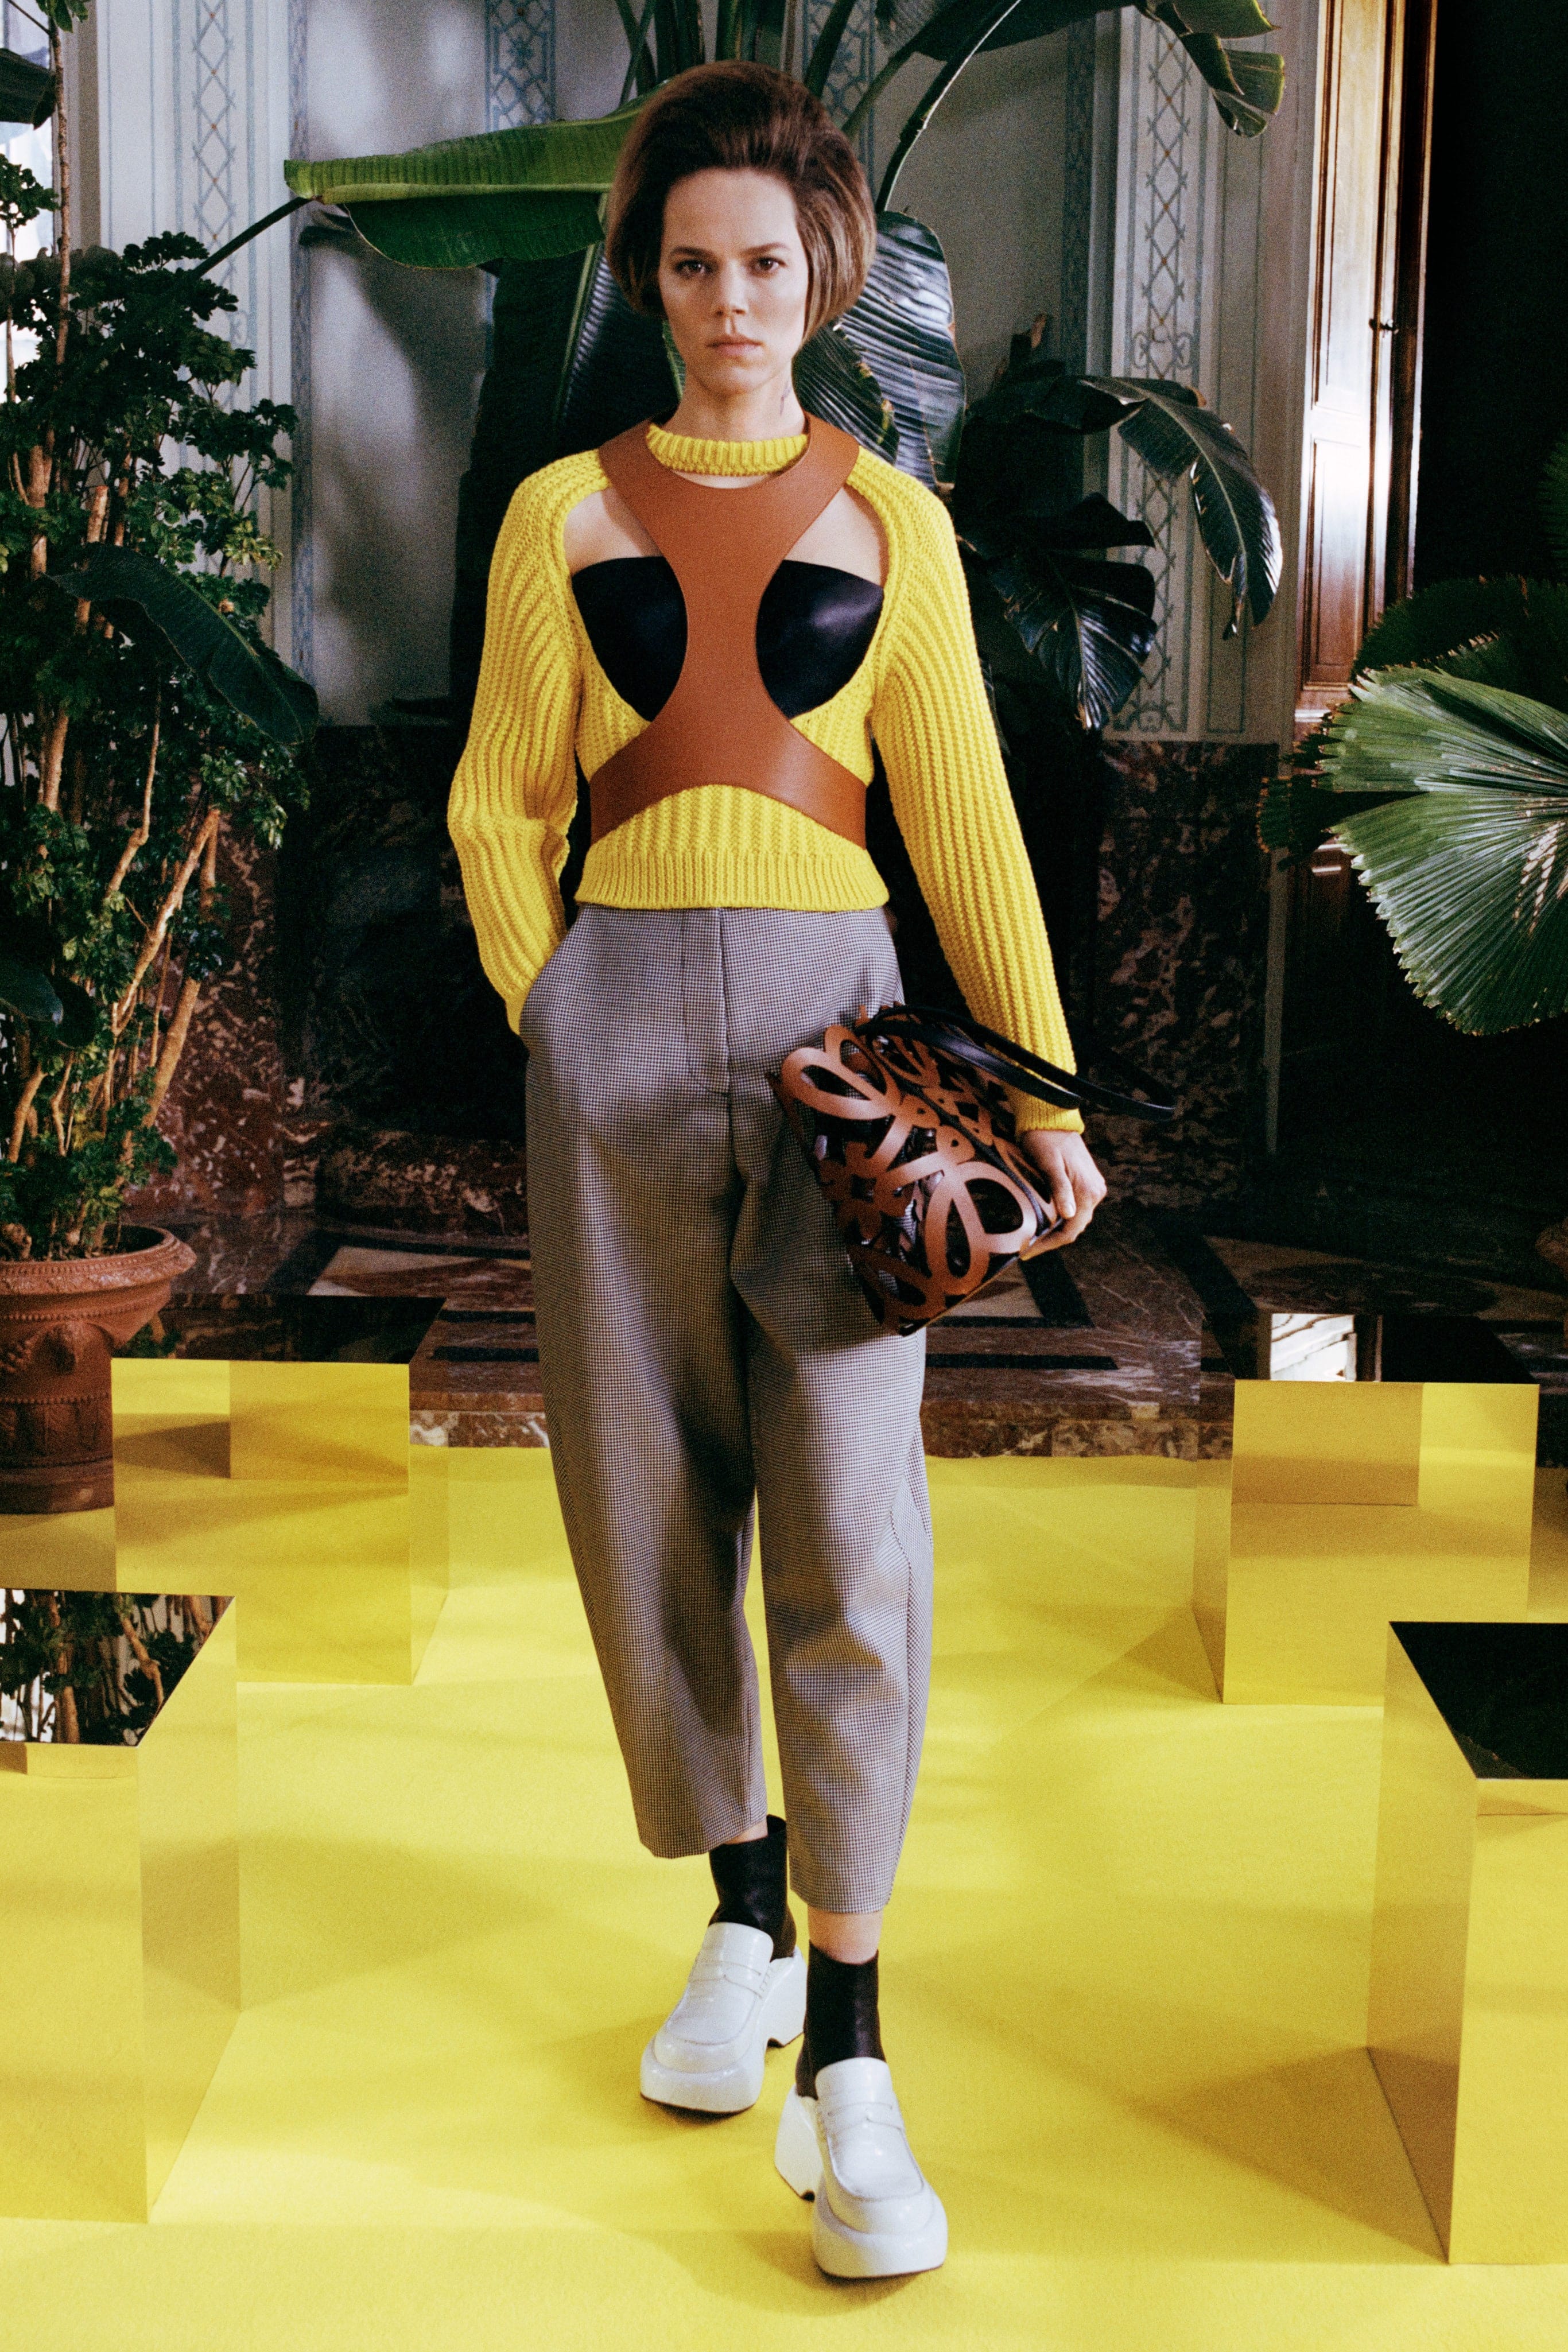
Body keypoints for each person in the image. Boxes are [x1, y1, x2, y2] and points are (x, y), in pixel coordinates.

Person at [448, 58, 1106, 2280]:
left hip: (846, 1048)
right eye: (687, 264)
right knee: (641, 1496)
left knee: (849, 1513)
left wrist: (1042, 1100)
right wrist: (553, 1006)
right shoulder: (558, 520)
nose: (726, 300)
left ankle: (848, 2043)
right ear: (648, 280)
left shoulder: (895, 526)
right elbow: (495, 802)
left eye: (760, 261)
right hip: (614, 1025)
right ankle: (732, 1902)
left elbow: (964, 821)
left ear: (822, 271)